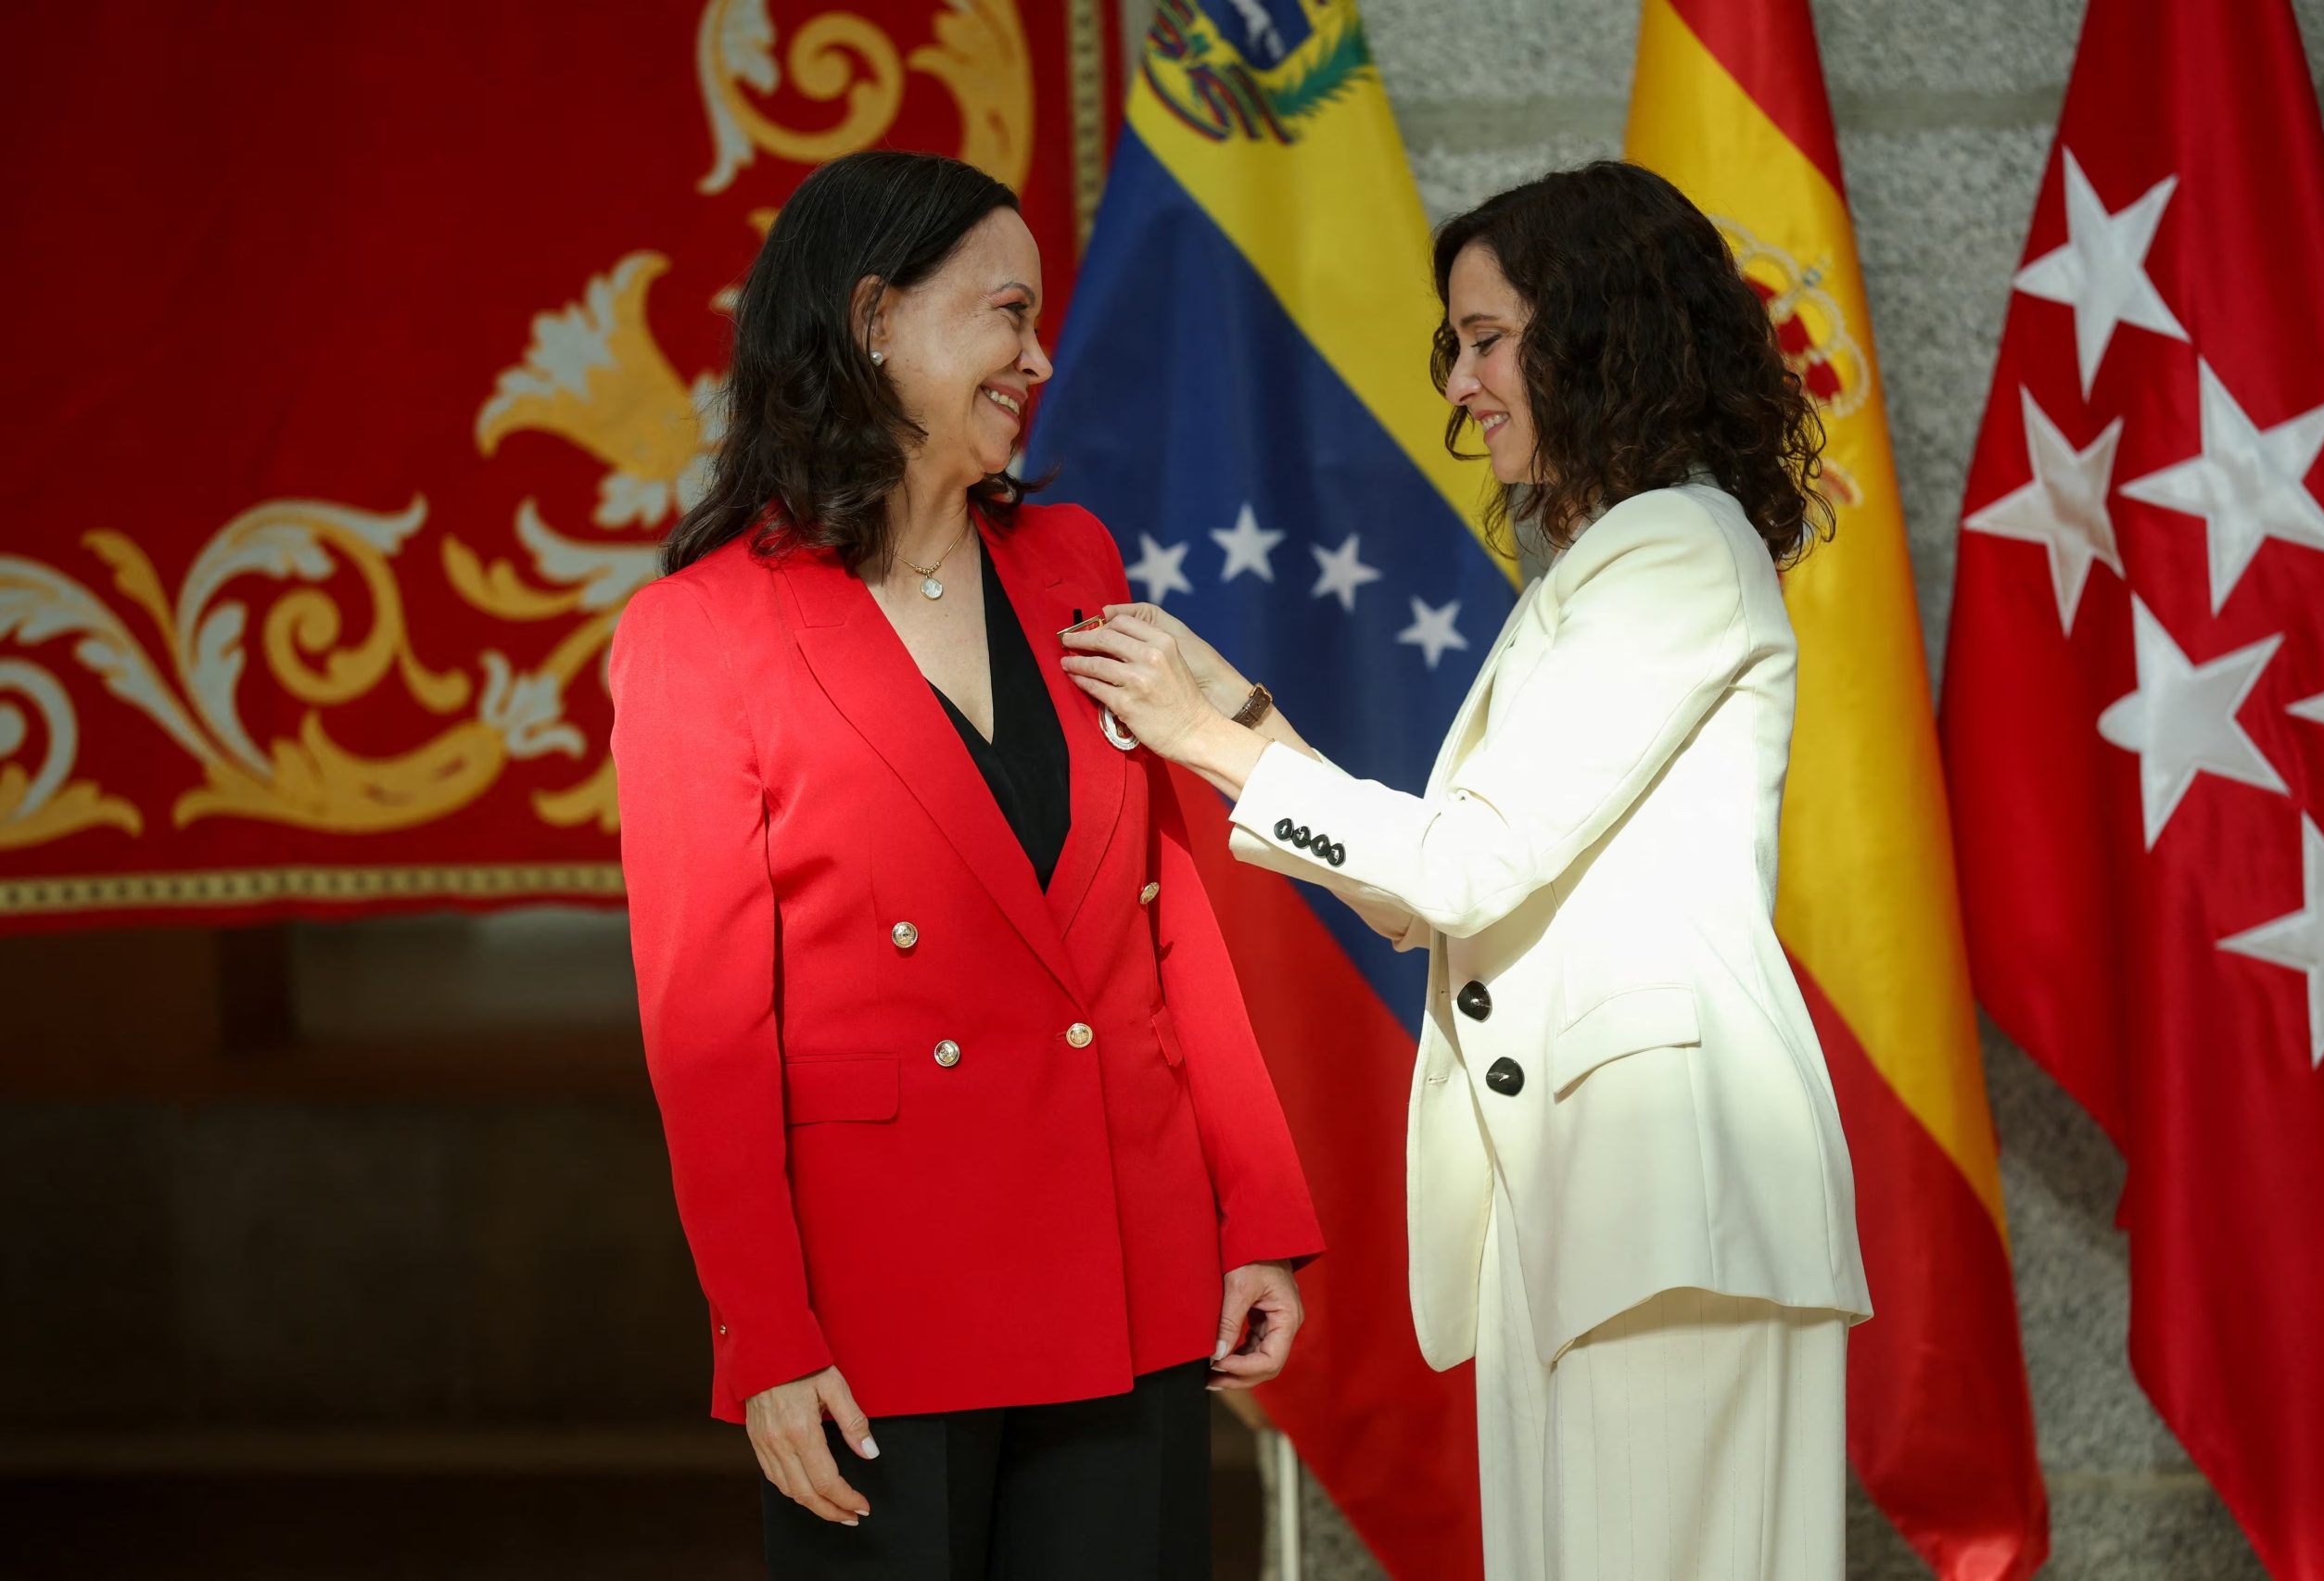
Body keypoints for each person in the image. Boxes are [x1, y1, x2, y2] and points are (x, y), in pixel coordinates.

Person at [1060, 161, 1873, 1580]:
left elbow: (1464, 868)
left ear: (1599, 334)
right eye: (1460, 345)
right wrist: (1240, 722)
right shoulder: (1608, 563)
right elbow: (1427, 883)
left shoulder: (1676, 547)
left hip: (1669, 1199)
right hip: (1590, 1211)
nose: (1464, 385)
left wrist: (1208, 736)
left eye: (1488, 338)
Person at [609, 148, 1323, 1581]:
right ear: (875, 317)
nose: (1038, 356)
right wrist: (765, 1333)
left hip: (1129, 1259)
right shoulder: (701, 632)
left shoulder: (1071, 559)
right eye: (1007, 314)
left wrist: (1259, 1214)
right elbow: (710, 1034)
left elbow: (1158, 910)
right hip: (883, 1307)